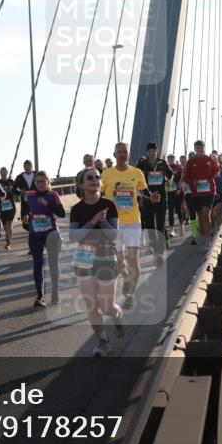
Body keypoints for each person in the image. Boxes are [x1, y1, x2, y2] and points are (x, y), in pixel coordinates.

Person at [69, 168, 125, 356]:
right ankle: (103, 342)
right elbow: (74, 236)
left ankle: (116, 314)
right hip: (84, 258)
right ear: (81, 184)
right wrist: (93, 221)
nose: (95, 180)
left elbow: (114, 235)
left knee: (106, 307)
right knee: (92, 306)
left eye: (98, 177)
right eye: (90, 178)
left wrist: (103, 222)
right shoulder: (77, 209)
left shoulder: (109, 204)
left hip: (106, 257)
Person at [101, 141, 150, 309]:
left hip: (132, 222)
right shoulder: (106, 175)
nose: (122, 154)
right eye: (119, 152)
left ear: (129, 154)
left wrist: (154, 197)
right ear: (114, 154)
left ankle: (129, 295)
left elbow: (144, 191)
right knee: (120, 262)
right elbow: (98, 194)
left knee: (133, 259)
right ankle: (126, 278)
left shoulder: (136, 173)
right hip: (113, 224)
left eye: (125, 152)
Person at [22, 171, 65, 306]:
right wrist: (25, 217)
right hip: (35, 234)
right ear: (35, 183)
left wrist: (47, 204)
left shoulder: (53, 195)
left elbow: (62, 213)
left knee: (53, 263)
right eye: (38, 181)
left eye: (43, 181)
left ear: (48, 182)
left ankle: (55, 292)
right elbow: (25, 210)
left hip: (51, 233)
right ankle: (40, 296)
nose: (40, 184)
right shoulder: (30, 195)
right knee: (37, 264)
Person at [136, 142, 173, 267]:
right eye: (150, 151)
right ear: (147, 152)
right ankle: (153, 245)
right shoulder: (142, 164)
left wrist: (167, 179)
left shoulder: (162, 163)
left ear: (156, 152)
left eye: (154, 151)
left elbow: (170, 174)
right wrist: (140, 196)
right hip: (148, 198)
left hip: (161, 197)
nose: (152, 153)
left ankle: (159, 253)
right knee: (150, 224)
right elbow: (137, 180)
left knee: (160, 224)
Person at [182, 140, 218, 249]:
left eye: (201, 148)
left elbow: (217, 171)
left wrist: (215, 174)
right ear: (195, 149)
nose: (200, 150)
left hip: (209, 192)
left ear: (204, 148)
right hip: (196, 193)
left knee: (206, 215)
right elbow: (186, 177)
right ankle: (204, 234)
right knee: (201, 218)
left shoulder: (209, 160)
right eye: (198, 148)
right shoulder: (190, 162)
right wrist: (192, 182)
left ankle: (207, 240)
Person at [0, 167, 17, 250]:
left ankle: (8, 243)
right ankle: (9, 237)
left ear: (7, 172)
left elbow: (16, 191)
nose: (3, 173)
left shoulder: (11, 182)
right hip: (2, 207)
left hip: (11, 206)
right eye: (2, 171)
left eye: (5, 171)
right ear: (0, 173)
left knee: (8, 225)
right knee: (5, 226)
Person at [166, 154, 184, 238]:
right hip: (169, 192)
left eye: (172, 158)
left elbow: (182, 178)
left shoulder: (178, 167)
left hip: (178, 191)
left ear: (175, 159)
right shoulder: (165, 167)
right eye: (169, 158)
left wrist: (179, 188)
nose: (170, 160)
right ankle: (172, 230)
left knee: (179, 210)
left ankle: (181, 225)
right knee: (170, 211)